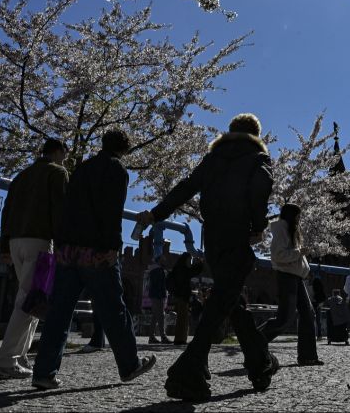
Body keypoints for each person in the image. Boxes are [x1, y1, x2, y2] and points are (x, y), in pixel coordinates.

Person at [136, 113, 278, 402]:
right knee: (225, 297)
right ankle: (188, 369)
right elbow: (260, 190)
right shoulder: (257, 158)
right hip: (238, 234)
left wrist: (156, 213)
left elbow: (186, 187)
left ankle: (259, 361)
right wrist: (259, 227)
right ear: (256, 134)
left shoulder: (213, 158)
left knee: (231, 300)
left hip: (212, 237)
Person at [31, 130, 156, 390]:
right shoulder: (117, 170)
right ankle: (129, 364)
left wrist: (62, 242)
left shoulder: (81, 168)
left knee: (59, 312)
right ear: (124, 149)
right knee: (113, 307)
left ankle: (44, 372)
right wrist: (113, 247)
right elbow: (111, 211)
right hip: (96, 252)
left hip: (68, 249)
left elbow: (67, 208)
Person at [0, 138, 68, 380]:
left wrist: (4, 245)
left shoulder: (21, 176)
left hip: (15, 241)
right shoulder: (57, 172)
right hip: (40, 240)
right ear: (58, 151)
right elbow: (60, 210)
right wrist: (63, 244)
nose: (65, 158)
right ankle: (6, 361)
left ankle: (20, 355)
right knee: (28, 300)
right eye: (64, 154)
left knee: (33, 299)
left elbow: (7, 209)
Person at [258, 204, 323, 366]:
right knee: (285, 317)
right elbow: (278, 256)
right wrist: (299, 253)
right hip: (287, 277)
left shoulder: (291, 231)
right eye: (297, 216)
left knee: (308, 315)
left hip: (297, 278)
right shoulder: (281, 230)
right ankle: (254, 340)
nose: (299, 220)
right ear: (291, 216)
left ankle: (308, 356)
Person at [168, 252, 204, 345]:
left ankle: (181, 338)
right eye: (189, 259)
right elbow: (192, 272)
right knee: (182, 318)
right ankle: (180, 339)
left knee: (182, 317)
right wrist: (200, 264)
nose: (190, 261)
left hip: (181, 296)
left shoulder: (178, 268)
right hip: (182, 296)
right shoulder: (182, 269)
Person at [147, 260, 171, 344]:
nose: (165, 259)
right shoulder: (159, 270)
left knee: (155, 316)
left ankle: (151, 337)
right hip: (158, 296)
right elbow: (161, 285)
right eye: (163, 258)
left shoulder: (154, 270)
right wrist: (163, 295)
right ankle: (163, 337)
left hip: (155, 295)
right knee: (161, 316)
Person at [311, 275, 327, 340]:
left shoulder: (311, 286)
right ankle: (319, 335)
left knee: (312, 320)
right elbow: (324, 298)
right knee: (318, 321)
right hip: (318, 304)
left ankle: (312, 334)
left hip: (312, 304)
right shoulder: (320, 289)